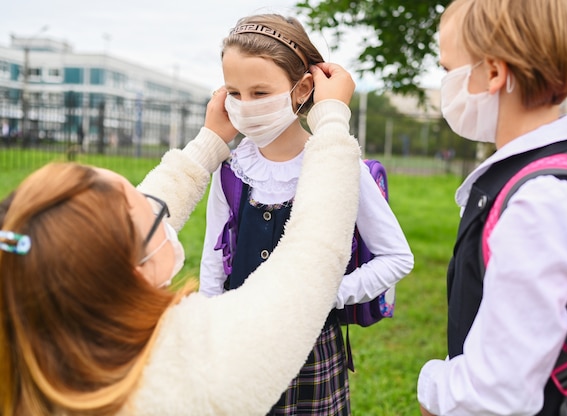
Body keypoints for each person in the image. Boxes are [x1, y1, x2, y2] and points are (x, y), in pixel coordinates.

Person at [0, 62, 362, 416]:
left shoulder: (32, 349)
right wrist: (330, 121)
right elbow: (312, 256)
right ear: (132, 267)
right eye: (147, 209)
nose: (155, 206)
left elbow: (135, 215)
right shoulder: (194, 370)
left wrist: (208, 143)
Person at [199, 14, 414, 415]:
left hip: (312, 359)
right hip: (238, 347)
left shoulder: (337, 163)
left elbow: (397, 257)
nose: (245, 107)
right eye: (234, 92)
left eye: (260, 91)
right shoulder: (230, 168)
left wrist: (328, 293)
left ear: (301, 90)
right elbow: (214, 263)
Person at [417, 0, 567, 415]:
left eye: (448, 71)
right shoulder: (536, 181)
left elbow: (496, 394)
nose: (445, 85)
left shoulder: (539, 200)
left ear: (495, 72)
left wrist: (432, 387)